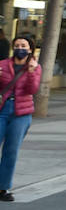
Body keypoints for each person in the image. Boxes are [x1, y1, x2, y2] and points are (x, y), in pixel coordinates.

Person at [0, 34, 42, 201]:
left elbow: (32, 89)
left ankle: (3, 188)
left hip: (21, 113)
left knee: (11, 151)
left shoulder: (35, 67)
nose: (20, 49)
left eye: (24, 46)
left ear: (30, 49)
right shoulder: (3, 65)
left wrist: (31, 71)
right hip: (3, 110)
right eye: (17, 45)